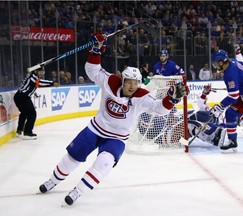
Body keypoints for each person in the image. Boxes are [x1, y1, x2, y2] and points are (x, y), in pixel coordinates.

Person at [39, 32, 189, 205]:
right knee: (72, 157)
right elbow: (92, 70)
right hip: (95, 129)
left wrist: (171, 99)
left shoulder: (142, 96)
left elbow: (159, 109)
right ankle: (53, 181)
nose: (132, 86)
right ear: (123, 80)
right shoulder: (110, 81)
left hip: (118, 137)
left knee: (105, 163)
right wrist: (96, 50)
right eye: (129, 82)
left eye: (135, 82)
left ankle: (78, 191)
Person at [14, 68, 58, 139]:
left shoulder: (31, 75)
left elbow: (29, 86)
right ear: (36, 71)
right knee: (32, 114)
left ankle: (19, 131)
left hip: (19, 96)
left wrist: (33, 93)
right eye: (40, 71)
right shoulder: (33, 78)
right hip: (23, 97)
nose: (42, 73)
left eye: (43, 72)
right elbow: (39, 83)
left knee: (24, 113)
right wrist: (52, 83)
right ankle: (27, 132)